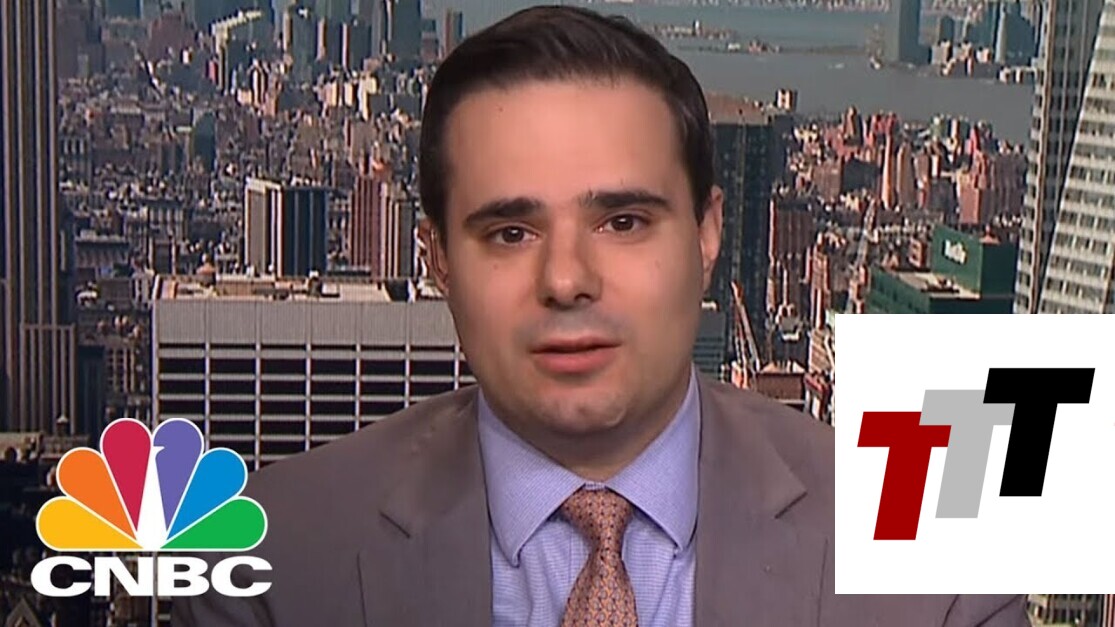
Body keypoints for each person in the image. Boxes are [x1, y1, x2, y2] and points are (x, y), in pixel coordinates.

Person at [173, 5, 1029, 626]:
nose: (567, 279)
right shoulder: (274, 558)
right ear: (436, 261)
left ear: (707, 234)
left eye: (622, 222)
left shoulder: (933, 561)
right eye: (510, 232)